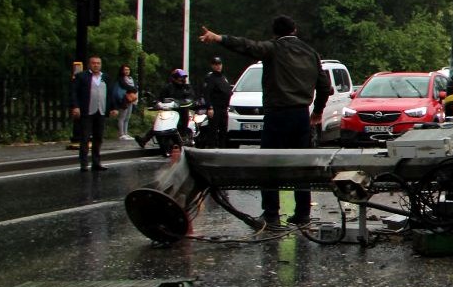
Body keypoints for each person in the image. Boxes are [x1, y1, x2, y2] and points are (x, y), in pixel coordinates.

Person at [199, 16, 331, 228]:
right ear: (295, 30)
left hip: (277, 114)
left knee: (269, 164)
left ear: (275, 33)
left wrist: (218, 38)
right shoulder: (311, 53)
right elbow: (325, 87)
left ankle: (271, 215)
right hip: (300, 115)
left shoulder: (273, 49)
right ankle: (302, 213)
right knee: (301, 165)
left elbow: (246, 46)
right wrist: (317, 111)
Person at [69, 55, 119, 171]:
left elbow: (110, 94)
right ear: (89, 65)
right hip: (87, 111)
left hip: (100, 111)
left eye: (98, 63)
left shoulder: (105, 77)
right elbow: (74, 92)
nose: (96, 65)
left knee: (98, 137)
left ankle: (96, 162)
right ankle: (84, 163)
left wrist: (113, 107)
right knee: (85, 138)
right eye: (93, 63)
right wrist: (75, 106)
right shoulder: (81, 77)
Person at [136, 68, 195, 148]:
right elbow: (159, 98)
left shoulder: (186, 88)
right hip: (169, 111)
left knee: (185, 115)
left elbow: (190, 98)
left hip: (181, 110)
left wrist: (181, 103)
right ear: (174, 78)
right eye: (179, 77)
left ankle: (183, 136)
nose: (181, 79)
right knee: (159, 121)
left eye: (183, 77)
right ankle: (144, 140)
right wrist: (157, 103)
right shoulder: (168, 87)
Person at [198, 55, 234, 148]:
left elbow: (227, 91)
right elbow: (207, 94)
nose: (218, 66)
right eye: (216, 64)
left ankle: (222, 148)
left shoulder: (223, 77)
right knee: (213, 130)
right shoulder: (210, 78)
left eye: (219, 64)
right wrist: (209, 107)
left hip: (224, 108)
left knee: (223, 130)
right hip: (215, 108)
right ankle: (212, 148)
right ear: (212, 66)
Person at [114, 64, 139, 140]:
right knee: (122, 117)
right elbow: (125, 86)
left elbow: (135, 87)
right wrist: (132, 89)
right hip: (123, 99)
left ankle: (126, 133)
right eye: (125, 70)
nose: (127, 71)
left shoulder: (131, 78)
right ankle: (121, 134)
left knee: (127, 117)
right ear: (122, 71)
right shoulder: (120, 79)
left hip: (131, 99)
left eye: (128, 69)